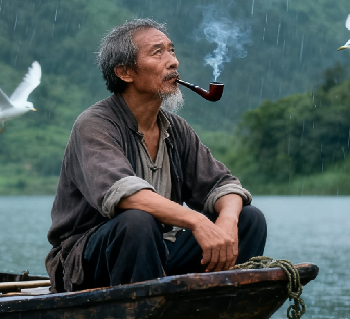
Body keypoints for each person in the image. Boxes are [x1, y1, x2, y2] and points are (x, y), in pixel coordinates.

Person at [45, 18, 267, 292]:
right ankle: (140, 316)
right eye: (157, 52)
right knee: (136, 221)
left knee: (250, 218)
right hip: (88, 263)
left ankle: (214, 312)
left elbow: (224, 186)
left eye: (172, 51)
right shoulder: (94, 125)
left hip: (161, 250)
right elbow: (125, 195)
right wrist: (197, 220)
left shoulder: (176, 129)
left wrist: (228, 222)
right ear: (125, 72)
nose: (173, 61)